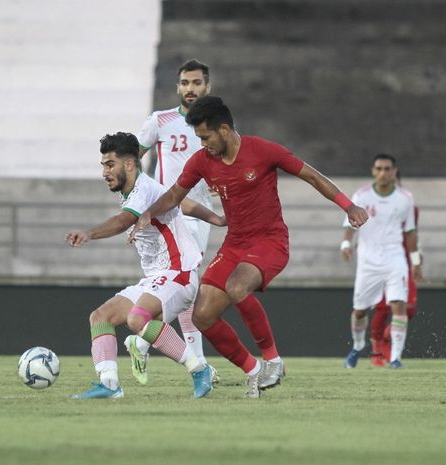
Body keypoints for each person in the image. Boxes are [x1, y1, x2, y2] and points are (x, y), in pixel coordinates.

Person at [130, 96, 368, 398]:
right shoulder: (202, 161)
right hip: (235, 245)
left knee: (237, 287)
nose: (203, 144)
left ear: (225, 130)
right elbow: (175, 194)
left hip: (270, 241)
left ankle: (273, 361)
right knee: (202, 316)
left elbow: (310, 175)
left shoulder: (262, 151)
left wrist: (348, 206)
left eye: (206, 137)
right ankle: (253, 371)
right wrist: (148, 214)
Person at [65, 132, 226, 399]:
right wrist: (216, 218)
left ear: (129, 164)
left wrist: (90, 233)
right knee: (100, 317)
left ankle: (200, 369)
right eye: (103, 165)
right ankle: (109, 384)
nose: (104, 172)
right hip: (157, 277)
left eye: (109, 164)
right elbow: (179, 201)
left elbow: (123, 221)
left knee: (137, 318)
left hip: (179, 273)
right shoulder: (142, 189)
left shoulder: (142, 189)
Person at [123, 59, 217, 385]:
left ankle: (142, 338)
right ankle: (198, 363)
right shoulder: (160, 121)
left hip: (202, 212)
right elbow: (130, 158)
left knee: (186, 288)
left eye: (196, 83)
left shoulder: (217, 125)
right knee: (188, 284)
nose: (190, 89)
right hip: (170, 213)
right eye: (185, 83)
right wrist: (141, 198)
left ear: (207, 87)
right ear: (178, 87)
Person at [341, 154, 423, 369]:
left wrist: (415, 262)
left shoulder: (405, 198)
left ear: (394, 172)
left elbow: (411, 232)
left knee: (398, 306)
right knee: (360, 311)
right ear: (373, 171)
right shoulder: (362, 196)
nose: (383, 173)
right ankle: (358, 346)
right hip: (368, 260)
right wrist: (346, 245)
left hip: (395, 259)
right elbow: (350, 224)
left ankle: (395, 358)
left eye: (387, 169)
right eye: (379, 168)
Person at [368, 172, 420, 366]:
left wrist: (416, 259)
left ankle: (387, 338)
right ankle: (377, 353)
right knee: (382, 308)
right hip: (379, 262)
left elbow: (412, 234)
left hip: (402, 262)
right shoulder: (370, 205)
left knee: (408, 308)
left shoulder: (408, 206)